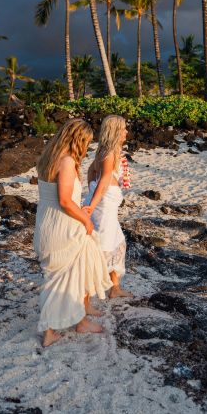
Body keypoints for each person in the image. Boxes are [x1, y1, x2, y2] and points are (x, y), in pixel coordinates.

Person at [33, 119, 112, 347]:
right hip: (63, 226)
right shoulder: (66, 162)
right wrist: (85, 219)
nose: (87, 147)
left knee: (71, 272)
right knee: (64, 279)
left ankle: (79, 318)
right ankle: (50, 331)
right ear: (78, 139)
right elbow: (66, 201)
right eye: (86, 142)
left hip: (47, 222)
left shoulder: (48, 157)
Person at [83, 115, 134, 299]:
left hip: (107, 204)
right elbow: (103, 180)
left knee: (118, 242)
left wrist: (91, 187)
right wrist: (91, 203)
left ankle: (115, 287)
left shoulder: (107, 150)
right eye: (123, 129)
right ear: (115, 131)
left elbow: (91, 171)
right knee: (103, 247)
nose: (126, 132)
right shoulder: (109, 152)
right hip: (104, 206)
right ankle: (85, 295)